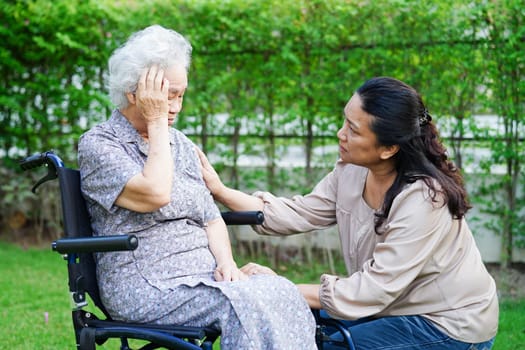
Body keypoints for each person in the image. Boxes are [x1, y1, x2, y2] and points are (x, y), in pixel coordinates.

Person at [198, 76, 499, 349]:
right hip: (389, 306)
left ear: (389, 148)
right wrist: (220, 191)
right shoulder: (352, 172)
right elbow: (297, 212)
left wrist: (277, 288)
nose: (341, 134)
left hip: (446, 323)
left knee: (320, 344)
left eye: (353, 130)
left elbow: (371, 290)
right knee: (287, 322)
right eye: (344, 121)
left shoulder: (423, 199)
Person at [77, 24, 317, 350]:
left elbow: (211, 218)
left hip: (203, 279)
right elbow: (156, 193)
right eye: (167, 95)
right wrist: (158, 122)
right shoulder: (100, 145)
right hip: (146, 285)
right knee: (242, 305)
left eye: (180, 95)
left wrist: (227, 265)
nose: (175, 106)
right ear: (135, 94)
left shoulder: (182, 145)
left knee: (279, 289)